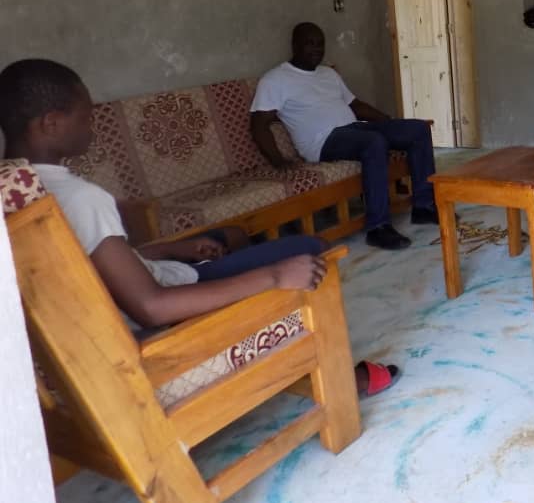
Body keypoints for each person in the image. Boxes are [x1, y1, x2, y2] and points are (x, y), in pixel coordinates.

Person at [0, 58, 401, 397]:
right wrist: (275, 276)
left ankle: (267, 319)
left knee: (232, 237)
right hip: (165, 319)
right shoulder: (81, 199)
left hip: (131, 293)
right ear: (51, 123)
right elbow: (152, 307)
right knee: (311, 251)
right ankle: (338, 377)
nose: (92, 126)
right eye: (85, 117)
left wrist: (171, 249)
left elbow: (86, 266)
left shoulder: (16, 188)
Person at [251, 22, 437, 251]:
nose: (316, 49)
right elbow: (259, 125)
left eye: (320, 44)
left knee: (418, 129)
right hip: (323, 142)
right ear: (294, 45)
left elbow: (355, 105)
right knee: (374, 143)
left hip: (355, 129)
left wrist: (388, 122)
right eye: (309, 44)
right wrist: (277, 161)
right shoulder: (275, 80)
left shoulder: (328, 73)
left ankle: (424, 206)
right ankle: (378, 228)